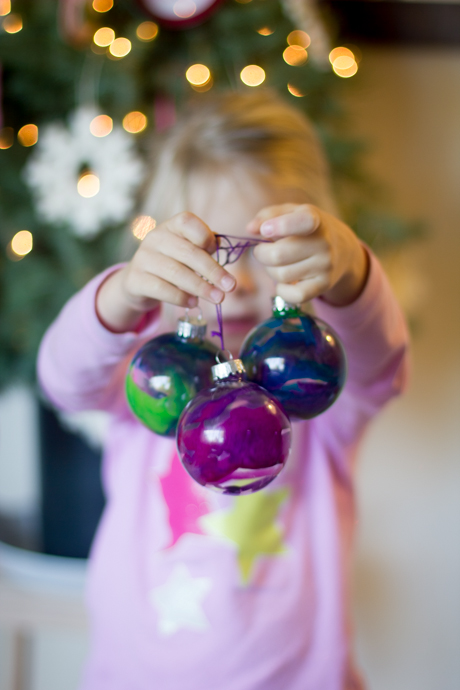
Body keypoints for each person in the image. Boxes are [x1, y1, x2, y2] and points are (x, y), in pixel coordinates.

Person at [37, 90, 410, 690]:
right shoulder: (148, 379)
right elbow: (62, 379)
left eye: (261, 254)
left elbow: (383, 360)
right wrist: (124, 293)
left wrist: (350, 272)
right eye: (206, 255)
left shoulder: (318, 388)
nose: (232, 282)